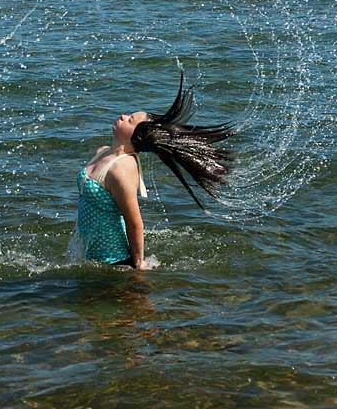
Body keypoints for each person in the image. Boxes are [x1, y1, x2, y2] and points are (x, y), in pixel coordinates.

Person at [70, 71, 235, 270]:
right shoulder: (103, 152)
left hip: (115, 261)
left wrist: (139, 264)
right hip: (91, 254)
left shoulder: (121, 169)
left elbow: (135, 223)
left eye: (130, 120)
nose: (122, 116)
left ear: (137, 137)